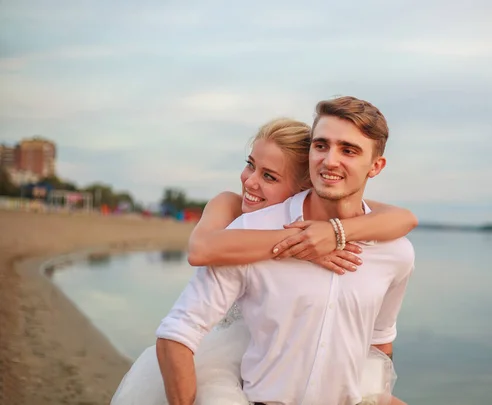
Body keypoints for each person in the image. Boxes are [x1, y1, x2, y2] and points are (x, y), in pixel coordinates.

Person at [111, 109, 415, 405]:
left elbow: (403, 219)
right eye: (251, 166)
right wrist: (303, 243)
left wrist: (336, 231)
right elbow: (200, 251)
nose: (251, 182)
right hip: (224, 365)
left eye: (269, 176)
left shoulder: (391, 249)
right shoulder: (235, 215)